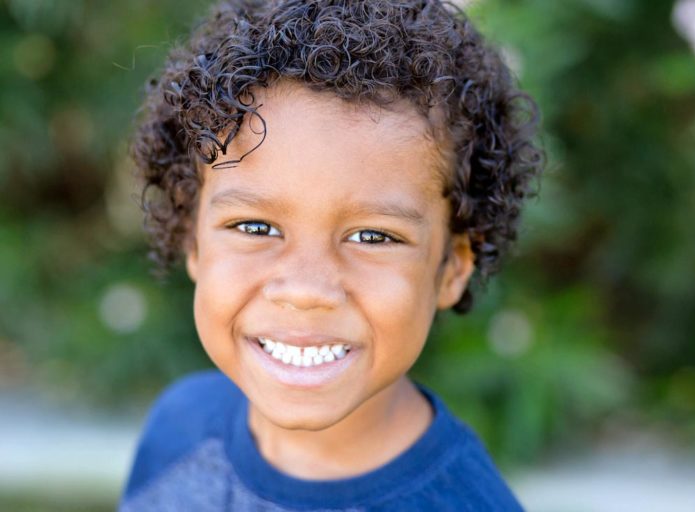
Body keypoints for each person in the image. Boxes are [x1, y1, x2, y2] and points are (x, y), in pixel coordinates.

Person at [119, 0, 543, 510]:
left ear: (451, 267)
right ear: (193, 240)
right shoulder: (178, 429)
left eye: (373, 236)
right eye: (255, 227)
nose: (305, 290)